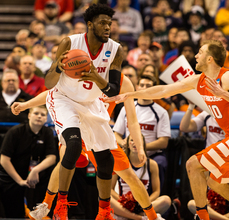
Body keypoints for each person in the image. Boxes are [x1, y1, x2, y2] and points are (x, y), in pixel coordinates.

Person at [105, 40, 229, 220]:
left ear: (210, 59)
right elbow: (164, 90)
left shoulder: (228, 77)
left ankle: (202, 216)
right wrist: (132, 94)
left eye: (200, 52)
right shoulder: (199, 80)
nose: (196, 55)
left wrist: (223, 94)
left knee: (192, 164)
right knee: (215, 183)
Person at [41, 3, 149, 219]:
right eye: (102, 23)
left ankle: (104, 212)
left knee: (106, 160)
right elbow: (48, 82)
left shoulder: (116, 49)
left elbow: (113, 91)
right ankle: (61, 204)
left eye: (110, 23)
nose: (108, 27)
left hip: (91, 104)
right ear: (90, 25)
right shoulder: (69, 42)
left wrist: (96, 77)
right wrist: (59, 68)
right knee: (72, 145)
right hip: (64, 99)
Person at [11, 75, 164, 220]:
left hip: (100, 132)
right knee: (66, 157)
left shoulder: (124, 82)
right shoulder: (83, 71)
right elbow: (53, 94)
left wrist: (141, 147)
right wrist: (26, 105)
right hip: (76, 127)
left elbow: (133, 120)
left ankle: (151, 216)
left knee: (130, 175)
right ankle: (47, 204)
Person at [180, 102, 229, 219]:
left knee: (212, 180)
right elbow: (184, 127)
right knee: (194, 199)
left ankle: (215, 216)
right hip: (211, 157)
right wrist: (191, 106)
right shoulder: (207, 113)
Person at [113, 75, 171, 191]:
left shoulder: (161, 112)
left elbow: (163, 142)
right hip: (129, 153)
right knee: (113, 160)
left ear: (154, 89)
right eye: (142, 85)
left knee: (160, 162)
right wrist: (125, 143)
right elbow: (116, 134)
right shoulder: (127, 108)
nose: (144, 88)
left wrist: (140, 147)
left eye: (148, 86)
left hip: (152, 154)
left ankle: (154, 198)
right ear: (136, 87)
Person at [0, 105, 57, 218]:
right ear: (29, 115)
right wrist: (20, 181)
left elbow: (52, 158)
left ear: (46, 118)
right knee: (14, 213)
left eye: (43, 114)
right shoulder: (15, 132)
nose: (39, 116)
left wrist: (35, 170)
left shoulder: (47, 133)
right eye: (36, 113)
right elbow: (4, 160)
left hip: (35, 177)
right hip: (12, 177)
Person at [111, 134, 171, 220]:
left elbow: (156, 191)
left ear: (143, 144)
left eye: (138, 141)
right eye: (132, 140)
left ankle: (134, 216)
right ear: (128, 144)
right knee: (106, 199)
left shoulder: (152, 164)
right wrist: (123, 201)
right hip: (123, 205)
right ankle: (140, 218)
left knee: (166, 200)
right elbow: (110, 189)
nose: (135, 143)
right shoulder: (120, 163)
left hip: (143, 206)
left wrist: (144, 203)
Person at [0, 69, 33, 134]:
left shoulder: (29, 99)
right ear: (2, 83)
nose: (11, 82)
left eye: (13, 80)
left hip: (22, 135)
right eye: (8, 80)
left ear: (18, 82)